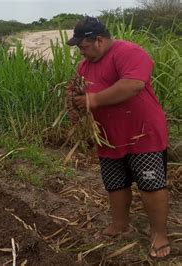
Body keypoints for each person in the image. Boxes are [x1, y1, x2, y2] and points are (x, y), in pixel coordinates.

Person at [67, 17, 170, 258]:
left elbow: (132, 85)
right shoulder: (85, 66)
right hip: (109, 138)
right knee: (115, 183)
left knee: (151, 185)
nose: (81, 52)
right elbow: (80, 90)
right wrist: (74, 102)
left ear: (99, 40)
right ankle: (120, 223)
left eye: (83, 46)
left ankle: (159, 234)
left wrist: (92, 100)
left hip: (142, 134)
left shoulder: (130, 53)